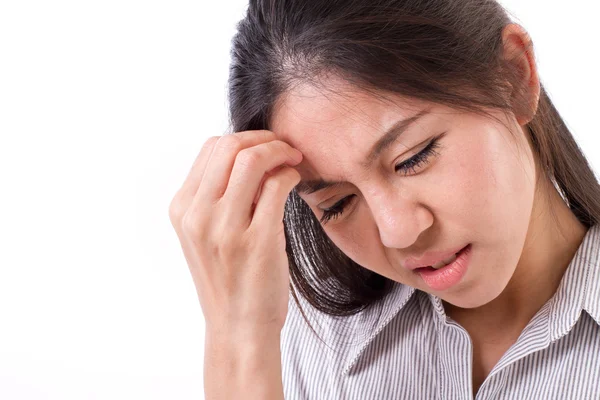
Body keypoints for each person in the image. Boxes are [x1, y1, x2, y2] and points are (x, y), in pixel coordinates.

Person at [168, 0, 600, 398]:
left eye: (413, 158)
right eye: (337, 204)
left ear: (513, 77)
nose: (397, 232)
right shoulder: (305, 340)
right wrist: (237, 338)